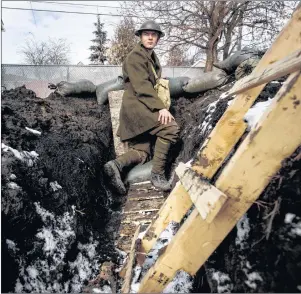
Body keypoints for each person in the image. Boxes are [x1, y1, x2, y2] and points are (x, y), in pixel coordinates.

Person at [104, 20, 179, 194]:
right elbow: (142, 87)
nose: (150, 38)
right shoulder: (135, 57)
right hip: (138, 108)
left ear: (158, 38)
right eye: (146, 34)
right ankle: (157, 175)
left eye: (154, 35)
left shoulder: (150, 57)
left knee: (142, 151)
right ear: (140, 36)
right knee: (170, 128)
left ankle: (115, 166)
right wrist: (160, 108)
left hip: (140, 108)